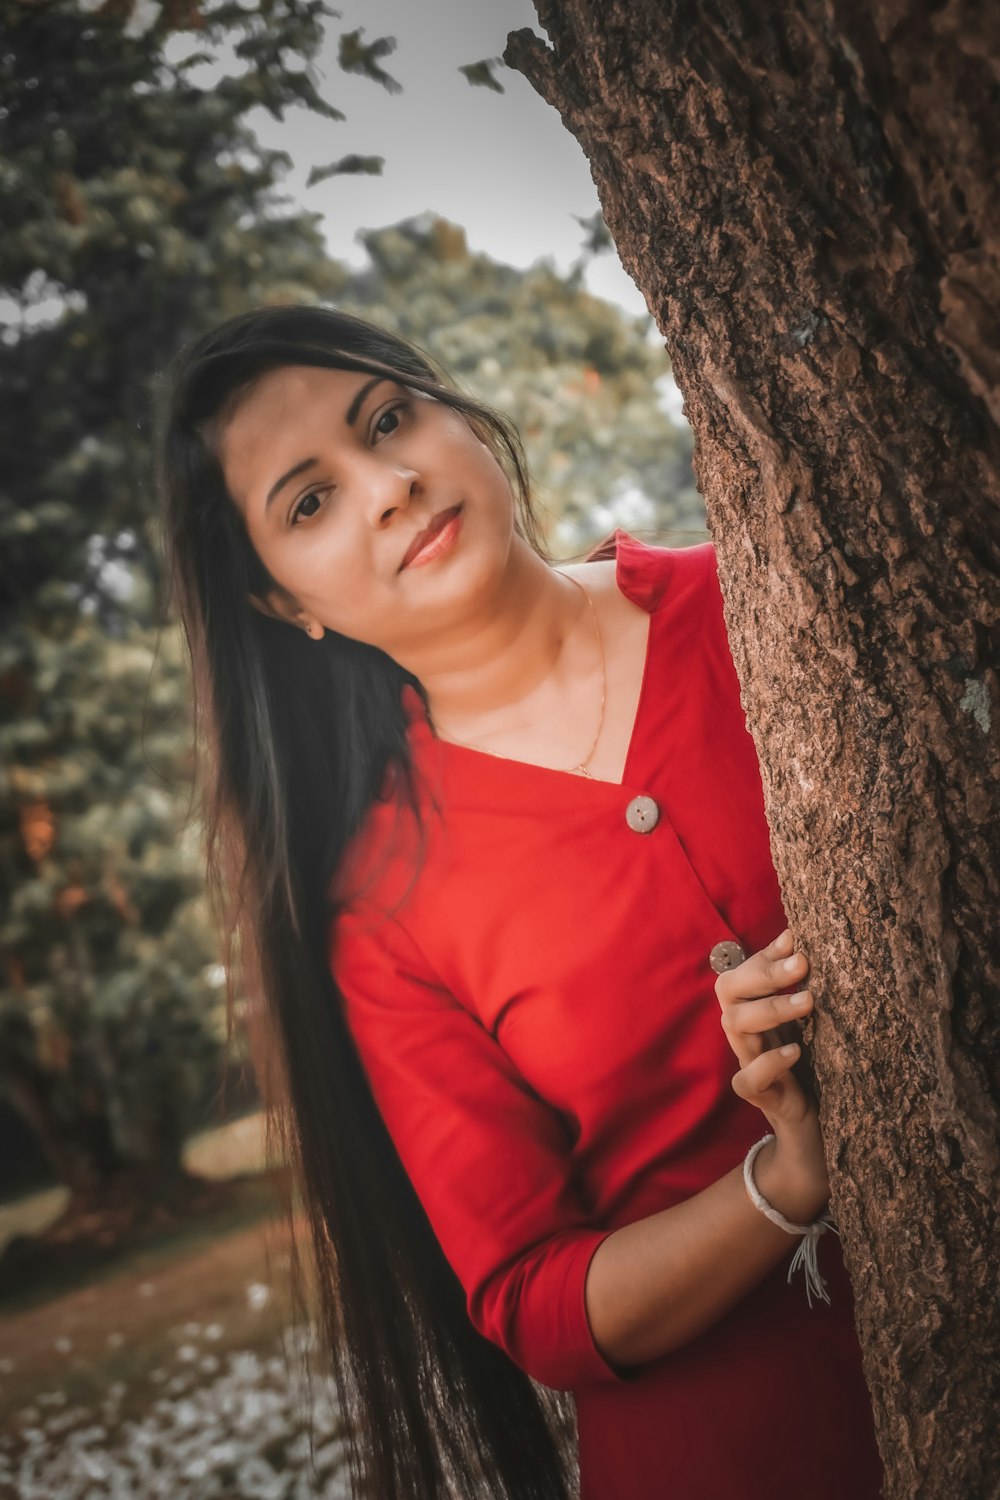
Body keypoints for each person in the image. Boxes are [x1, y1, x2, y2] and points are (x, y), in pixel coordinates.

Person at [156, 304, 884, 1500]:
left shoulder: (768, 597)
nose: (386, 486)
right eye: (309, 501)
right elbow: (534, 1298)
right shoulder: (381, 912)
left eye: (387, 420)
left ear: (456, 415)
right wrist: (783, 1185)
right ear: (286, 607)